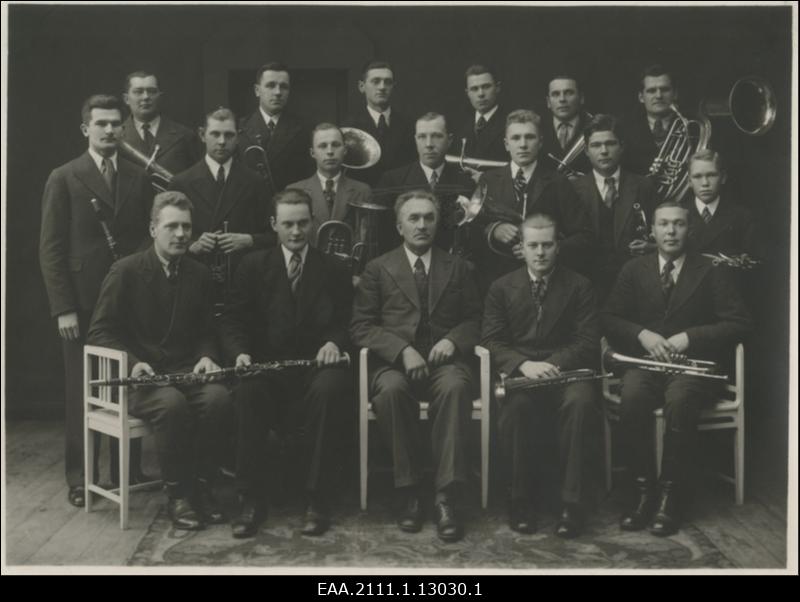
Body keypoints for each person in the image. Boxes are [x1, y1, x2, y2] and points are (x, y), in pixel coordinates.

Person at [601, 201, 751, 536]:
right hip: (647, 363)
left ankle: (672, 497)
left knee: (680, 402)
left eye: (678, 224)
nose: (670, 231)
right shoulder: (633, 269)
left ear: (690, 229)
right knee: (633, 397)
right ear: (652, 230)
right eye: (663, 224)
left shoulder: (712, 270)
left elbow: (740, 323)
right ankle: (643, 492)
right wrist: (642, 334)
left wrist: (690, 337)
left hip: (693, 368)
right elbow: (609, 317)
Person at [87, 191, 233, 531]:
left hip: (185, 372)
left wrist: (207, 356)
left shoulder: (199, 274)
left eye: (187, 227)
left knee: (220, 399)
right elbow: (99, 331)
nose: (181, 234)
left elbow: (206, 330)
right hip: (142, 379)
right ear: (153, 229)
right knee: (171, 405)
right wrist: (132, 362)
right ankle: (178, 493)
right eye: (172, 226)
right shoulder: (125, 271)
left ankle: (201, 485)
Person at [39, 94, 153, 507]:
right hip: (82, 302)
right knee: (80, 389)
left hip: (127, 298)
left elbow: (145, 235)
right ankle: (81, 477)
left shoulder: (138, 178)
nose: (109, 130)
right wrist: (62, 306)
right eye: (100, 123)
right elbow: (50, 248)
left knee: (130, 380)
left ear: (124, 129)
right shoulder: (64, 176)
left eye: (115, 124)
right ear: (85, 128)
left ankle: (130, 470)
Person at [220, 188, 353, 538]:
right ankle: (251, 500)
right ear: (273, 225)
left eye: (303, 223)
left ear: (313, 223)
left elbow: (347, 320)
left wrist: (333, 342)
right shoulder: (252, 266)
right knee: (247, 392)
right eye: (288, 224)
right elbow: (233, 320)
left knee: (331, 388)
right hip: (267, 369)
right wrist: (240, 354)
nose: (296, 232)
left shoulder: (334, 268)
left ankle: (317, 499)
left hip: (315, 369)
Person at [350, 190, 482, 543]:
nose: (422, 225)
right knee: (391, 391)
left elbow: (476, 319)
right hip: (395, 365)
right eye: (414, 218)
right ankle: (408, 490)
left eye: (429, 217)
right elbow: (361, 325)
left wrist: (452, 340)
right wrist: (400, 349)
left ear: (439, 223)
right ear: (399, 225)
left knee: (456, 388)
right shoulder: (378, 268)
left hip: (445, 364)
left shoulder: (459, 268)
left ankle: (446, 497)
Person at [482, 214, 600, 538]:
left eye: (547, 244)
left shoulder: (580, 285)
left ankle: (571, 504)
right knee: (516, 410)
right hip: (523, 376)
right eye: (532, 245)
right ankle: (519, 501)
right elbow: (491, 340)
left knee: (580, 403)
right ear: (521, 247)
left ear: (558, 246)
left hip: (567, 374)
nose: (540, 252)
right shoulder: (500, 287)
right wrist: (523, 365)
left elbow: (588, 342)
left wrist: (554, 364)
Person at [475, 109, 593, 291]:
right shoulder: (488, 180)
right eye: (516, 138)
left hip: (550, 283)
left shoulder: (558, 182)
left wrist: (545, 249)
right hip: (499, 283)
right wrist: (494, 230)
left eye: (529, 137)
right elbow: (472, 230)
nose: (523, 144)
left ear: (540, 142)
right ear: (506, 144)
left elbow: (584, 236)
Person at [169, 107, 273, 311]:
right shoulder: (181, 182)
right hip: (194, 282)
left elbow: (274, 235)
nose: (222, 141)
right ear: (202, 135)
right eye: (215, 134)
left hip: (242, 284)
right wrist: (191, 245)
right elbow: (165, 236)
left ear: (238, 137)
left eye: (229, 135)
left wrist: (249, 240)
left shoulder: (255, 182)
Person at [571, 114, 658, 302]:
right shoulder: (572, 189)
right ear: (586, 150)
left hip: (635, 285)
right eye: (595, 145)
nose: (603, 151)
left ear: (622, 146)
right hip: (587, 286)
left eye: (610, 143)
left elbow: (658, 233)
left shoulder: (643, 186)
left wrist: (651, 247)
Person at [377, 112, 475, 254]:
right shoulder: (391, 180)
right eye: (422, 137)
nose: (429, 144)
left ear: (450, 140)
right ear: (415, 140)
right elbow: (383, 236)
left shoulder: (466, 184)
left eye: (436, 136)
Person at [286, 123, 372, 248]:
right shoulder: (293, 191)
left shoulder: (363, 191)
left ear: (345, 150)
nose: (330, 151)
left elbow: (365, 242)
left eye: (336, 145)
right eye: (322, 146)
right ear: (312, 153)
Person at [238, 62, 312, 193]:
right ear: (257, 90)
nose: (278, 92)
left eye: (284, 87)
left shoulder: (305, 129)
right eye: (270, 85)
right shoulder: (239, 128)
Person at [343, 60, 416, 187]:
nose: (382, 87)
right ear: (362, 86)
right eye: (375, 81)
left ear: (393, 86)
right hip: (363, 196)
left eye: (388, 82)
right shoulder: (348, 127)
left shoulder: (410, 125)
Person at [120, 70, 201, 175]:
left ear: (160, 97)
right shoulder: (116, 137)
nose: (146, 97)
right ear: (126, 99)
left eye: (152, 91)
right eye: (138, 92)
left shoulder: (185, 136)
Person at [683, 149, 759, 260]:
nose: (705, 183)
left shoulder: (743, 217)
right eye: (697, 176)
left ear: (723, 178)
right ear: (689, 181)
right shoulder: (678, 214)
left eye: (711, 175)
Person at [622, 64, 679, 176]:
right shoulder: (624, 130)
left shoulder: (691, 127)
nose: (658, 96)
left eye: (665, 89)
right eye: (651, 91)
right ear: (641, 97)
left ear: (675, 94)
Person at [540, 75, 592, 178]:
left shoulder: (594, 127)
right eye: (556, 94)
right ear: (548, 102)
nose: (562, 99)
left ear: (581, 98)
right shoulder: (537, 128)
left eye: (569, 93)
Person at [455, 64, 508, 163]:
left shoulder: (510, 123)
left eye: (486, 87)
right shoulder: (459, 125)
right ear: (467, 93)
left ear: (497, 88)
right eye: (474, 89)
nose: (481, 94)